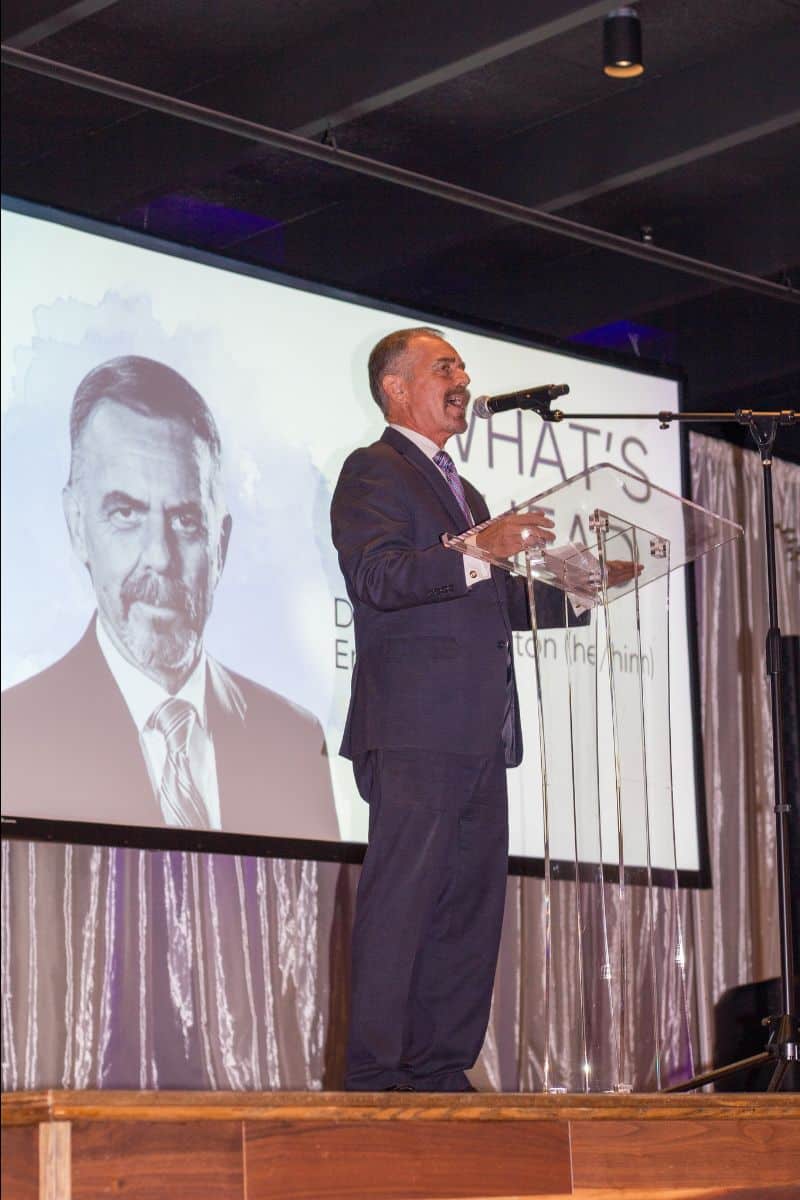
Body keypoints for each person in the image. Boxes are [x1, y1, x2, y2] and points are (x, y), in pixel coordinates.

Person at [331, 326, 568, 1092]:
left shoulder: (465, 490)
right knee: (405, 899)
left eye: (463, 366)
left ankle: (440, 1066)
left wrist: (585, 589)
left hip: (479, 732)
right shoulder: (374, 470)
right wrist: (479, 547)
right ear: (397, 387)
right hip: (413, 727)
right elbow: (379, 576)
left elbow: (492, 600)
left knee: (468, 906)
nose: (462, 377)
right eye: (445, 367)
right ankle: (377, 1072)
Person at [2, 355, 338, 841]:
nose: (160, 557)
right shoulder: (15, 736)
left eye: (185, 520)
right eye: (125, 514)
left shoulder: (295, 741)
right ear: (77, 526)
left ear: (220, 544)